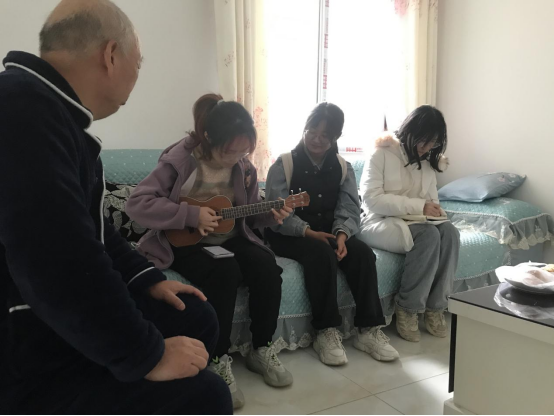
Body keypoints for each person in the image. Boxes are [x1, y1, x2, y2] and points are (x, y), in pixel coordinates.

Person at [0, 1, 232, 415]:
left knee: (194, 315)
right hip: (21, 342)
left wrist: (146, 279)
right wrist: (146, 355)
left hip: (42, 307)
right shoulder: (22, 110)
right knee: (208, 396)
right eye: (138, 63)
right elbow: (59, 264)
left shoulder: (52, 113)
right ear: (110, 55)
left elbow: (95, 232)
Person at [126, 93, 295, 410]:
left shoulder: (244, 167)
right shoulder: (179, 160)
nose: (237, 159)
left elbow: (246, 214)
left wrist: (270, 215)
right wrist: (191, 215)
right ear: (208, 137)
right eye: (230, 152)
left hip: (230, 237)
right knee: (224, 272)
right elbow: (137, 204)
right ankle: (217, 358)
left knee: (266, 265)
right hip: (185, 241)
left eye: (244, 152)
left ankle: (262, 347)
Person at [265, 103, 400, 366]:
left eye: (324, 136)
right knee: (321, 255)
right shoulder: (284, 164)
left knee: (363, 254)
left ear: (335, 137)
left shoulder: (342, 166)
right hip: (290, 234)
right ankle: (326, 331)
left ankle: (368, 329)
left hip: (330, 231)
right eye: (311, 132)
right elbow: (276, 212)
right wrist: (307, 231)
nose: (316, 139)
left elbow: (349, 206)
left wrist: (342, 235)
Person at [359, 105, 461, 343]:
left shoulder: (429, 162)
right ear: (410, 131)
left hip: (415, 220)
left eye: (433, 143)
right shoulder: (381, 154)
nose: (426, 148)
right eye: (423, 140)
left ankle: (436, 307)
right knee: (428, 235)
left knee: (450, 233)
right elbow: (372, 200)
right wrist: (419, 207)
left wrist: (435, 211)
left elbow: (432, 201)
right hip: (378, 221)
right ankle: (408, 308)